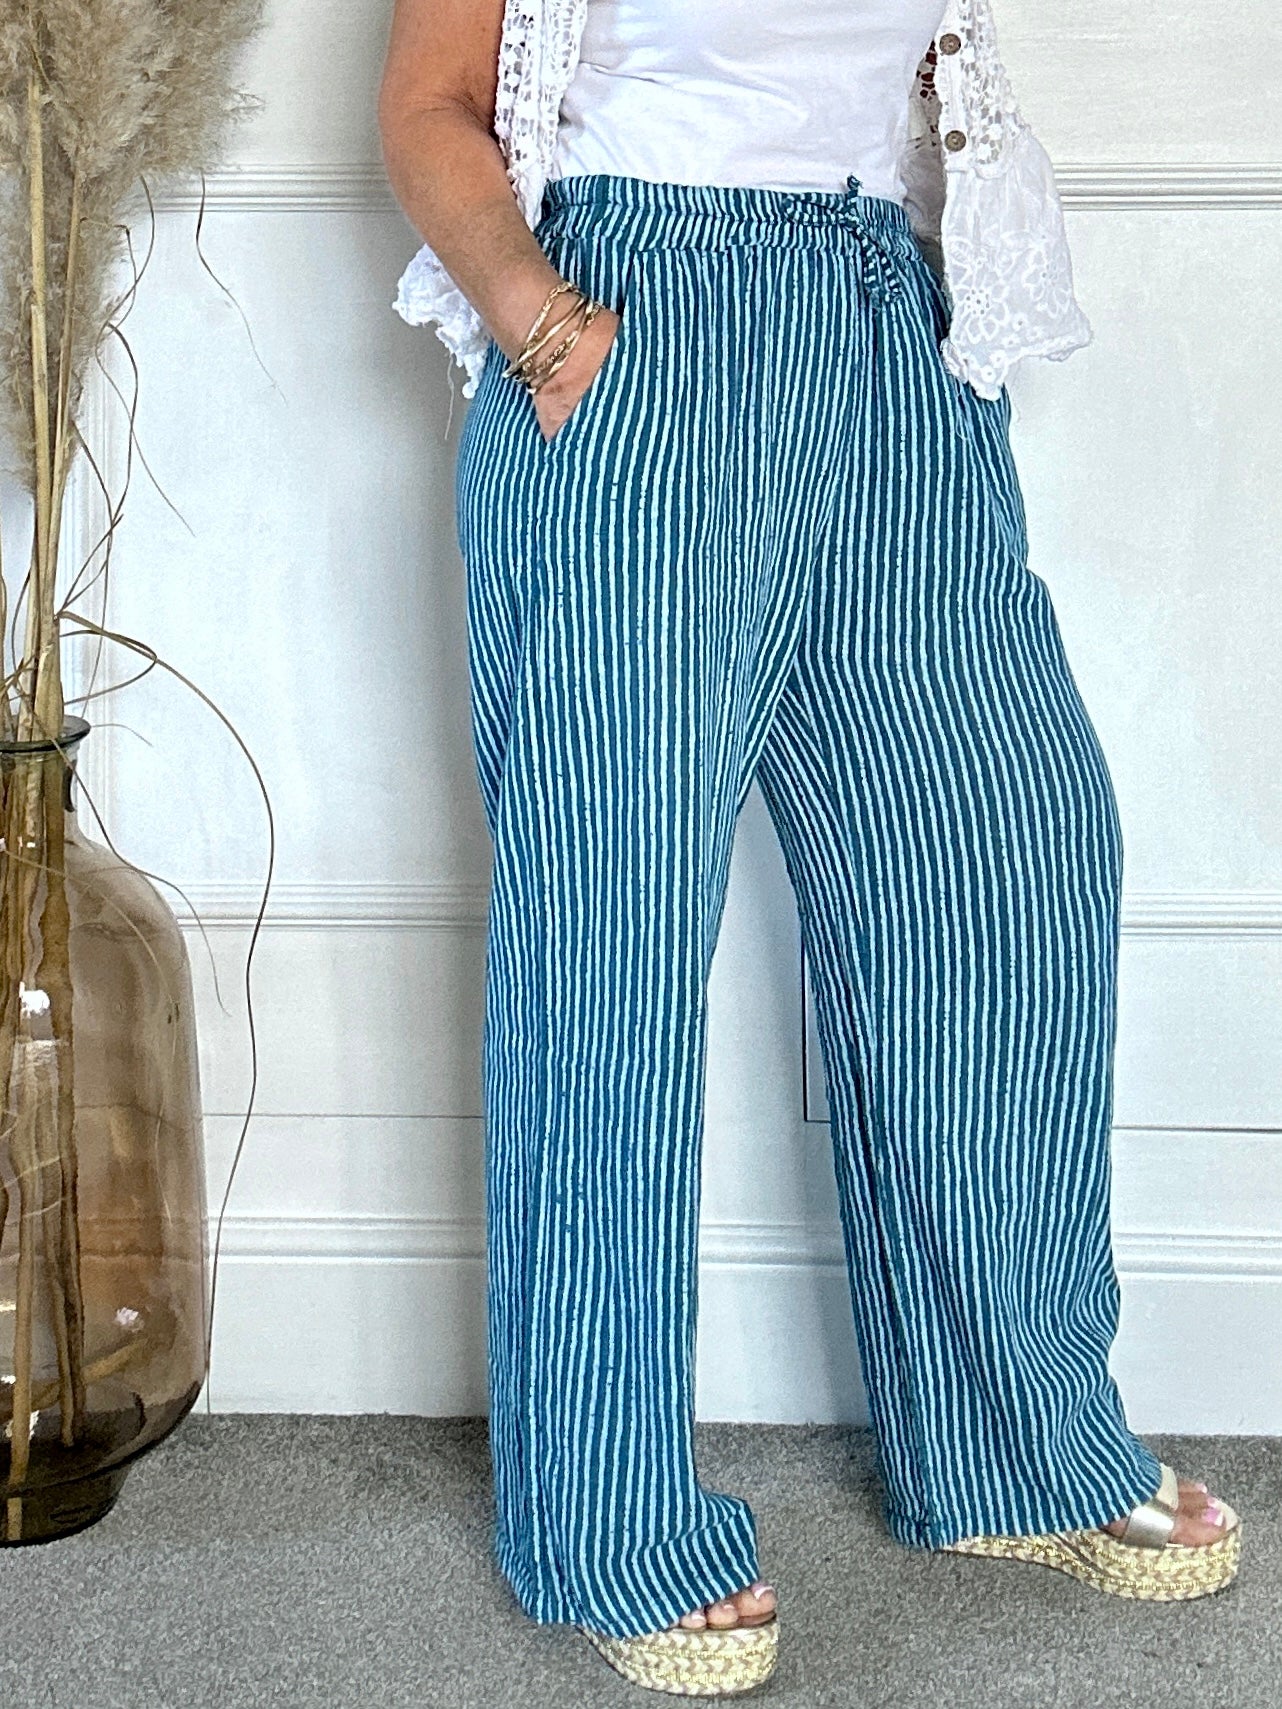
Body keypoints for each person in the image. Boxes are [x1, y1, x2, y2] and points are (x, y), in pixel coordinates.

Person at [378, 0, 1243, 1695]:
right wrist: (551, 336)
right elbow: (428, 106)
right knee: (609, 943)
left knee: (1006, 862)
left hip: (880, 326)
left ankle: (1013, 1442)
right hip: (640, 320)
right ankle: (609, 1514)